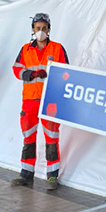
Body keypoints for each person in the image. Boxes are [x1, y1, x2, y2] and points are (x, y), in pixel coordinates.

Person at [11, 13, 69, 191]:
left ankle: (52, 176)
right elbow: (17, 68)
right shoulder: (25, 49)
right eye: (38, 28)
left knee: (51, 137)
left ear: (49, 29)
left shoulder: (58, 48)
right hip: (30, 100)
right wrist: (31, 74)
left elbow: (67, 73)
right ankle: (26, 174)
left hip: (50, 100)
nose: (41, 31)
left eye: (44, 28)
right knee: (29, 136)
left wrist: (53, 77)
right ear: (33, 30)